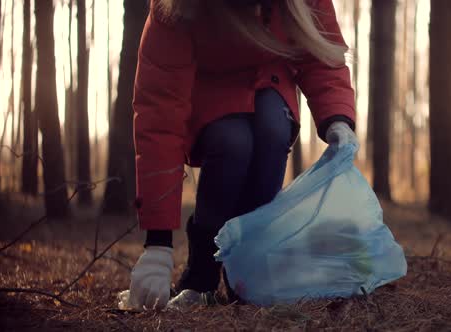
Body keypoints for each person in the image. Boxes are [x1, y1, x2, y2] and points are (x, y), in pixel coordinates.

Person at [128, 0, 358, 310]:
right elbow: (159, 116)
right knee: (232, 142)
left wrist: (337, 118)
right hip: (208, 93)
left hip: (270, 81)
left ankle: (251, 272)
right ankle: (202, 274)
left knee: (273, 130)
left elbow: (322, 57)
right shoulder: (175, 11)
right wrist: (157, 245)